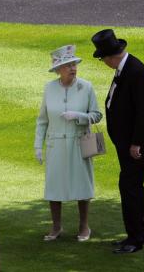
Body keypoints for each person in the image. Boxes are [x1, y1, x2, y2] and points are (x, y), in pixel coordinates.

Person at [91, 29, 144, 254]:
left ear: (111, 56)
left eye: (103, 58)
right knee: (129, 187)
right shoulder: (124, 69)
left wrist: (136, 143)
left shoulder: (135, 71)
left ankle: (136, 239)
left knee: (131, 188)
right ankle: (134, 235)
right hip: (125, 143)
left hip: (134, 147)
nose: (104, 62)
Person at [34, 45, 102, 242]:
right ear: (58, 69)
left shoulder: (86, 87)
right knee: (54, 186)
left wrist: (79, 116)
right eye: (67, 65)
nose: (72, 68)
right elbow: (42, 120)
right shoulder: (49, 88)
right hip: (55, 144)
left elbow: (96, 115)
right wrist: (38, 145)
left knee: (82, 185)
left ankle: (84, 225)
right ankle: (56, 226)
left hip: (79, 142)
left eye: (74, 64)